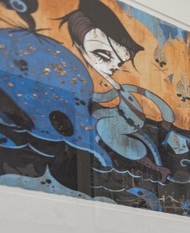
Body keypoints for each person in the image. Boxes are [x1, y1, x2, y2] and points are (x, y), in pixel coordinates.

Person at [60, 0, 179, 178]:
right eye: (102, 55)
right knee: (100, 122)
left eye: (120, 57)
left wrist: (167, 116)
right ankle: (155, 166)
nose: (114, 65)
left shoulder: (123, 87)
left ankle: (155, 166)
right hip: (115, 123)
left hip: (129, 123)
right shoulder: (90, 82)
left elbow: (149, 96)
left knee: (103, 125)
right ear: (79, 48)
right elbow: (102, 98)